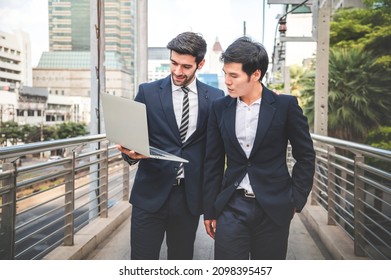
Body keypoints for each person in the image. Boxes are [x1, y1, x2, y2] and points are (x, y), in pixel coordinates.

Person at [203, 37, 315, 260]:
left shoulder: (285, 106)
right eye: (225, 74)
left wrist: (295, 199)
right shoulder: (219, 108)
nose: (227, 81)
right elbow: (213, 162)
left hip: (274, 208)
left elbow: (306, 156)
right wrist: (210, 209)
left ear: (255, 74)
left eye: (234, 75)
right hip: (231, 206)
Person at [117, 31, 224, 260]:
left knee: (181, 259)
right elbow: (133, 139)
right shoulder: (148, 92)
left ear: (200, 64)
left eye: (186, 66)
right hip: (150, 194)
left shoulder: (215, 97)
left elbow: (216, 152)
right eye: (174, 63)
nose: (177, 71)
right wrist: (131, 154)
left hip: (188, 198)